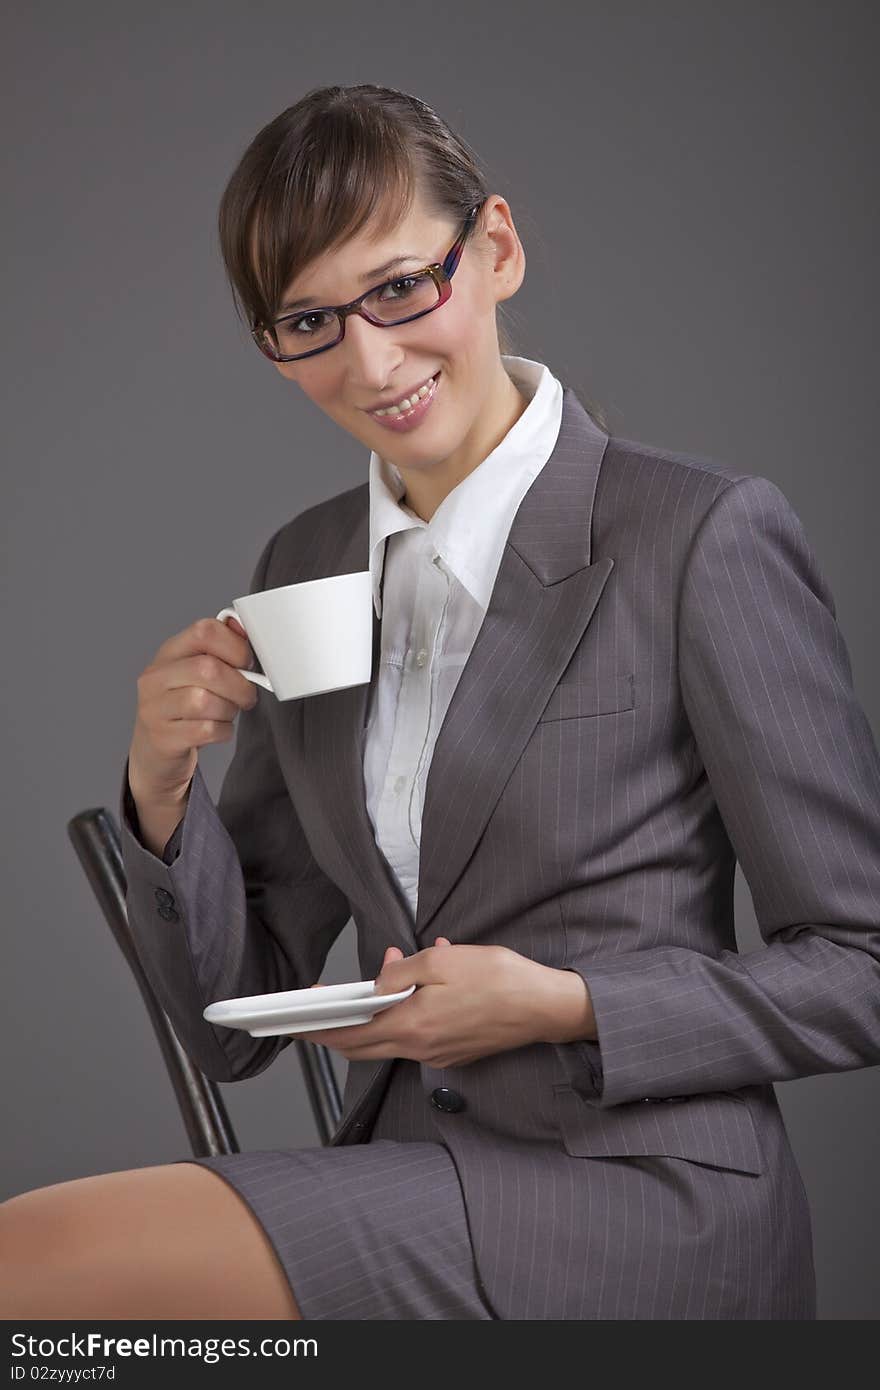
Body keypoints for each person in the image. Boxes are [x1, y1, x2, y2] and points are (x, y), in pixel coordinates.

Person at [2, 83, 879, 1322]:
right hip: (407, 1170)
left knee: (33, 1267)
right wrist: (160, 786)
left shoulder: (697, 535)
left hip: (639, 1193)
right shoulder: (306, 564)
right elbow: (234, 1022)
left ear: (499, 248)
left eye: (403, 287)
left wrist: (563, 1003)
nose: (370, 361)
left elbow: (860, 965)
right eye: (307, 321)